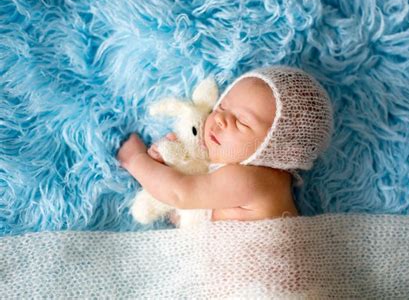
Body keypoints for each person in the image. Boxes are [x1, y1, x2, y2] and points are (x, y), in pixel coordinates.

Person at [117, 66, 333, 225]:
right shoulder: (242, 183)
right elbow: (194, 216)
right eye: (222, 107)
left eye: (241, 122)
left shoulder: (256, 180)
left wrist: (136, 160)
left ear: (277, 150)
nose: (221, 119)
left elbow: (179, 194)